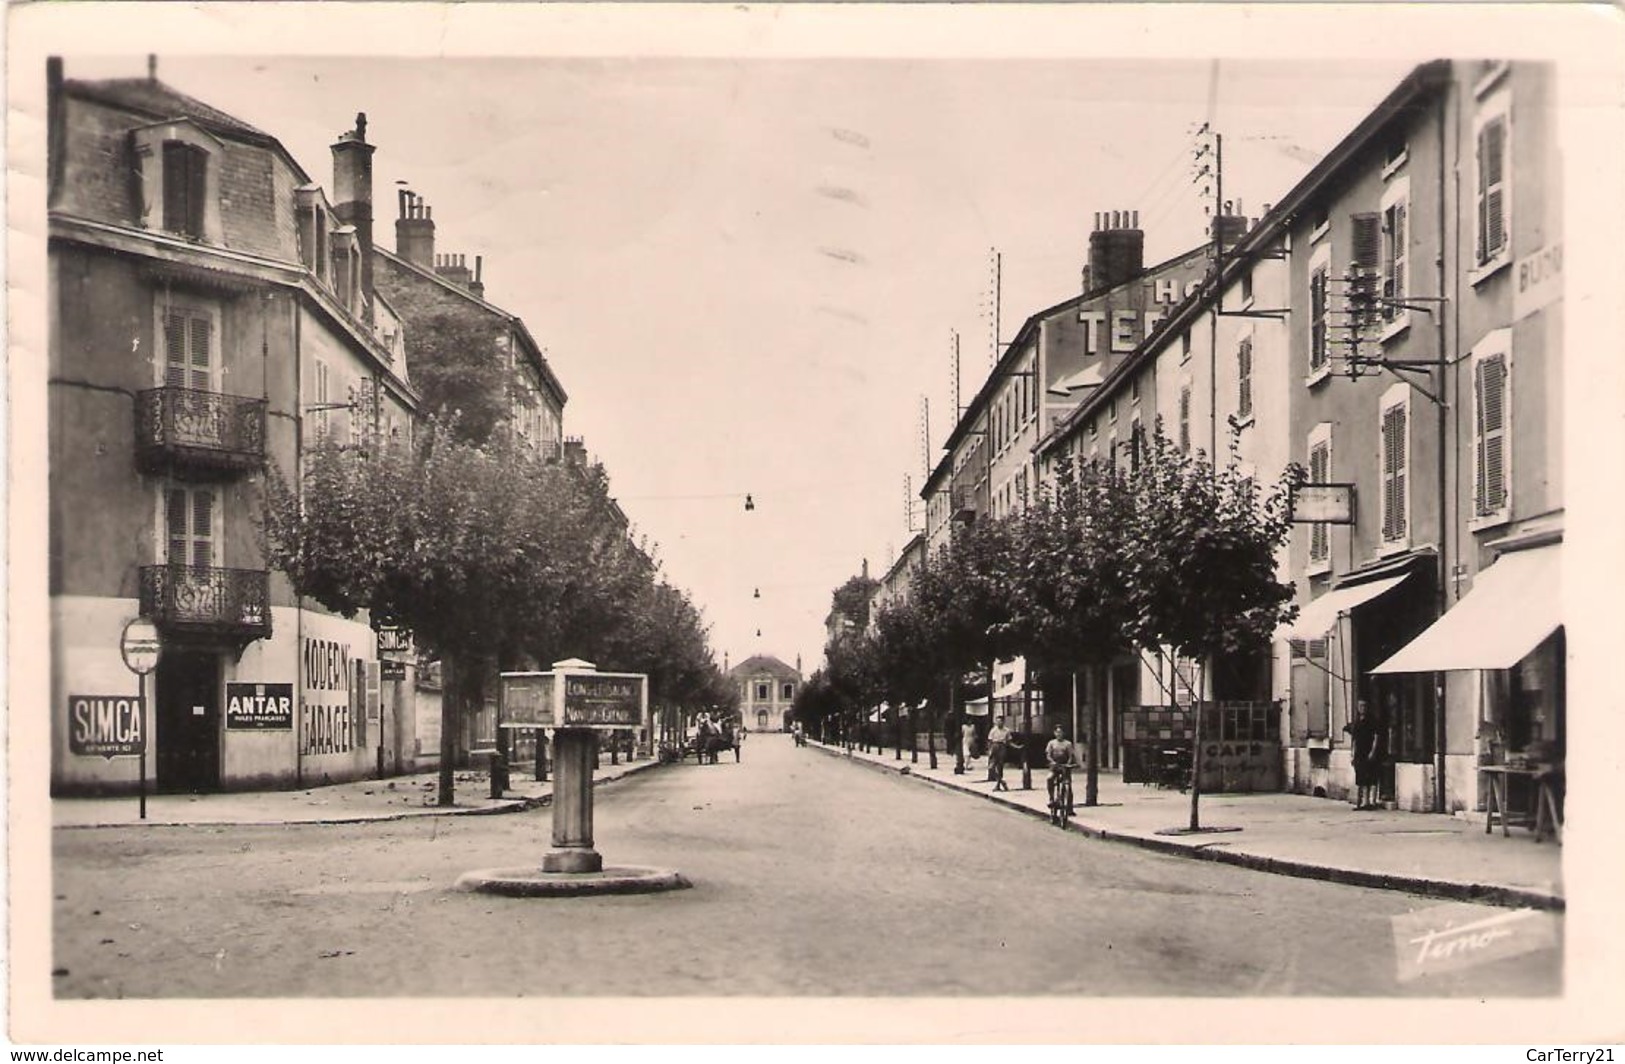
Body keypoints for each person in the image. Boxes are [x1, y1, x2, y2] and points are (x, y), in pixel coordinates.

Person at [1343, 700, 1383, 810]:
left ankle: (1372, 801)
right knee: (1361, 778)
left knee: (1372, 776)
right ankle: (1363, 802)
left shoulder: (1372, 721)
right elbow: (1354, 740)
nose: (1362, 708)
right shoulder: (1357, 722)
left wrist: (1373, 751)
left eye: (1364, 706)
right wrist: (1352, 754)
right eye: (1360, 706)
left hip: (1368, 751)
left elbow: (1376, 737)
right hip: (1359, 753)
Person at [1045, 725, 1076, 810]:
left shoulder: (1068, 744)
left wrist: (1069, 763)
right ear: (1054, 733)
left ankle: (1070, 807)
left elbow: (1071, 755)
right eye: (1057, 732)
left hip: (1065, 767)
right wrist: (1052, 762)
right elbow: (1048, 755)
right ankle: (1051, 798)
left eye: (1061, 732)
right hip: (1054, 766)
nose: (1059, 734)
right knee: (1049, 778)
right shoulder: (1051, 743)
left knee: (1068, 785)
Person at [986, 715, 1014, 791]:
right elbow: (989, 741)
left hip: (1002, 747)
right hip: (994, 746)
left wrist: (1016, 747)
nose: (998, 723)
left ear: (1003, 722)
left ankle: (998, 785)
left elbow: (1009, 741)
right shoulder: (993, 730)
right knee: (991, 767)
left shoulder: (1007, 730)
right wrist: (989, 750)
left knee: (1000, 767)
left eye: (1000, 721)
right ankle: (1002, 781)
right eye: (997, 721)